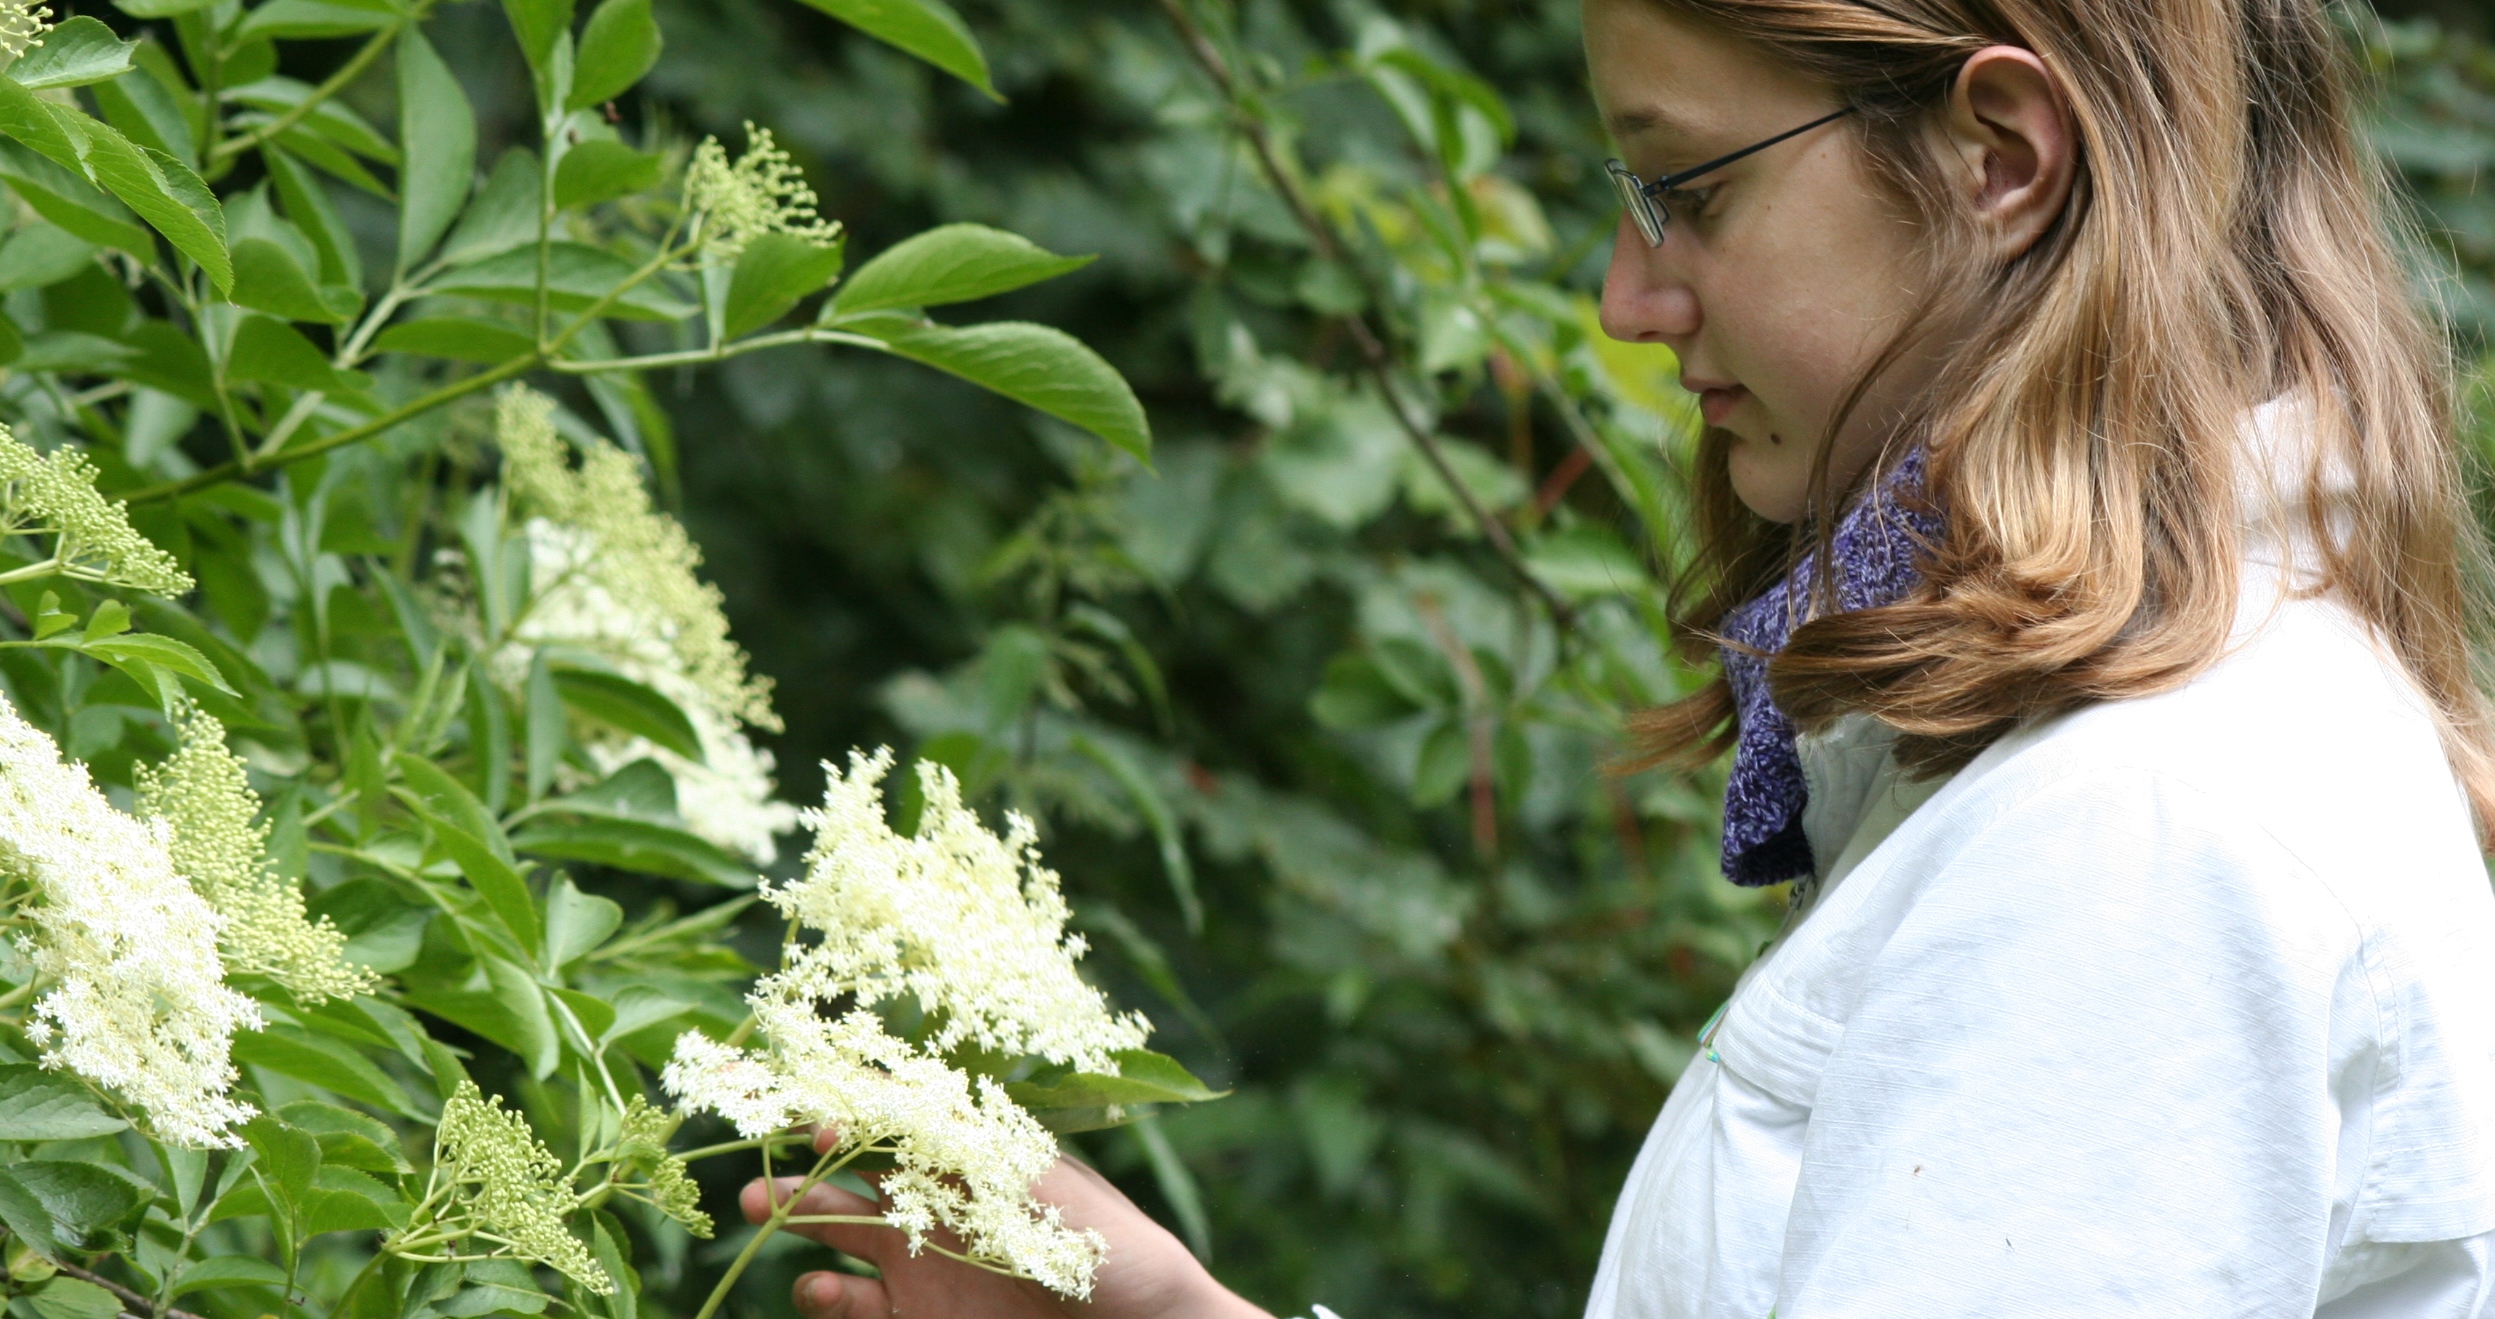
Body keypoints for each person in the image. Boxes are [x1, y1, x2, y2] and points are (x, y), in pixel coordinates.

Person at [741, 0, 2495, 1313]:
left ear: (2000, 159)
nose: (1626, 297)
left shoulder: (2145, 835)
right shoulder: (2108, 767)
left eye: (1684, 191)